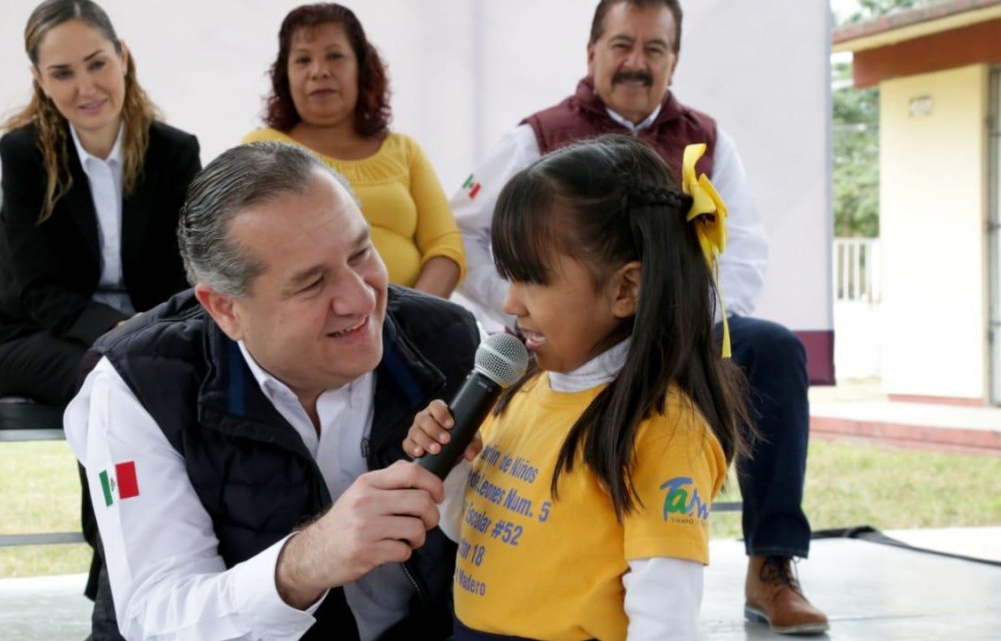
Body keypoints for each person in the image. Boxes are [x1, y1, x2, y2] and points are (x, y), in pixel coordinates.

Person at [449, 0, 828, 634]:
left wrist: (682, 317)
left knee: (776, 351)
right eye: (623, 44)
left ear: (674, 60)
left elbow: (743, 249)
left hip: (686, 322)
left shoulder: (709, 138)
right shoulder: (535, 137)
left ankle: (772, 561)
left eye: (655, 49)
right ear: (592, 51)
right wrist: (530, 299)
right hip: (569, 328)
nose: (636, 62)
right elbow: (465, 235)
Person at [64, 141, 480, 641]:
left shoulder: (450, 342)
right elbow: (158, 615)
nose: (360, 298)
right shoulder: (138, 384)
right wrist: (305, 562)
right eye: (311, 283)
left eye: (361, 252)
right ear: (225, 309)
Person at [405, 136, 749, 640]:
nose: (510, 302)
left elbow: (666, 615)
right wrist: (453, 465)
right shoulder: (519, 391)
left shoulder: (664, 430)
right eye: (507, 276)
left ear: (625, 290)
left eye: (531, 279)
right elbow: (471, 533)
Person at [0, 0, 201, 636]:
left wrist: (142, 332)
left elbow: (185, 273)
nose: (85, 88)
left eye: (97, 63)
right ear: (40, 81)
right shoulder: (25, 154)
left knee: (148, 376)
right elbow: (39, 293)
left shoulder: (173, 152)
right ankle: (115, 584)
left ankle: (164, 573)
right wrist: (121, 337)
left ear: (123, 57)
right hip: (38, 338)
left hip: (148, 331)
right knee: (108, 377)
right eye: (62, 73)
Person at [242, 3, 466, 299]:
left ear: (361, 69)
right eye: (302, 60)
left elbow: (445, 246)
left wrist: (412, 318)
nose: (319, 72)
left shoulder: (405, 150)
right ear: (285, 76)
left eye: (335, 56)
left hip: (410, 327)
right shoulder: (263, 150)